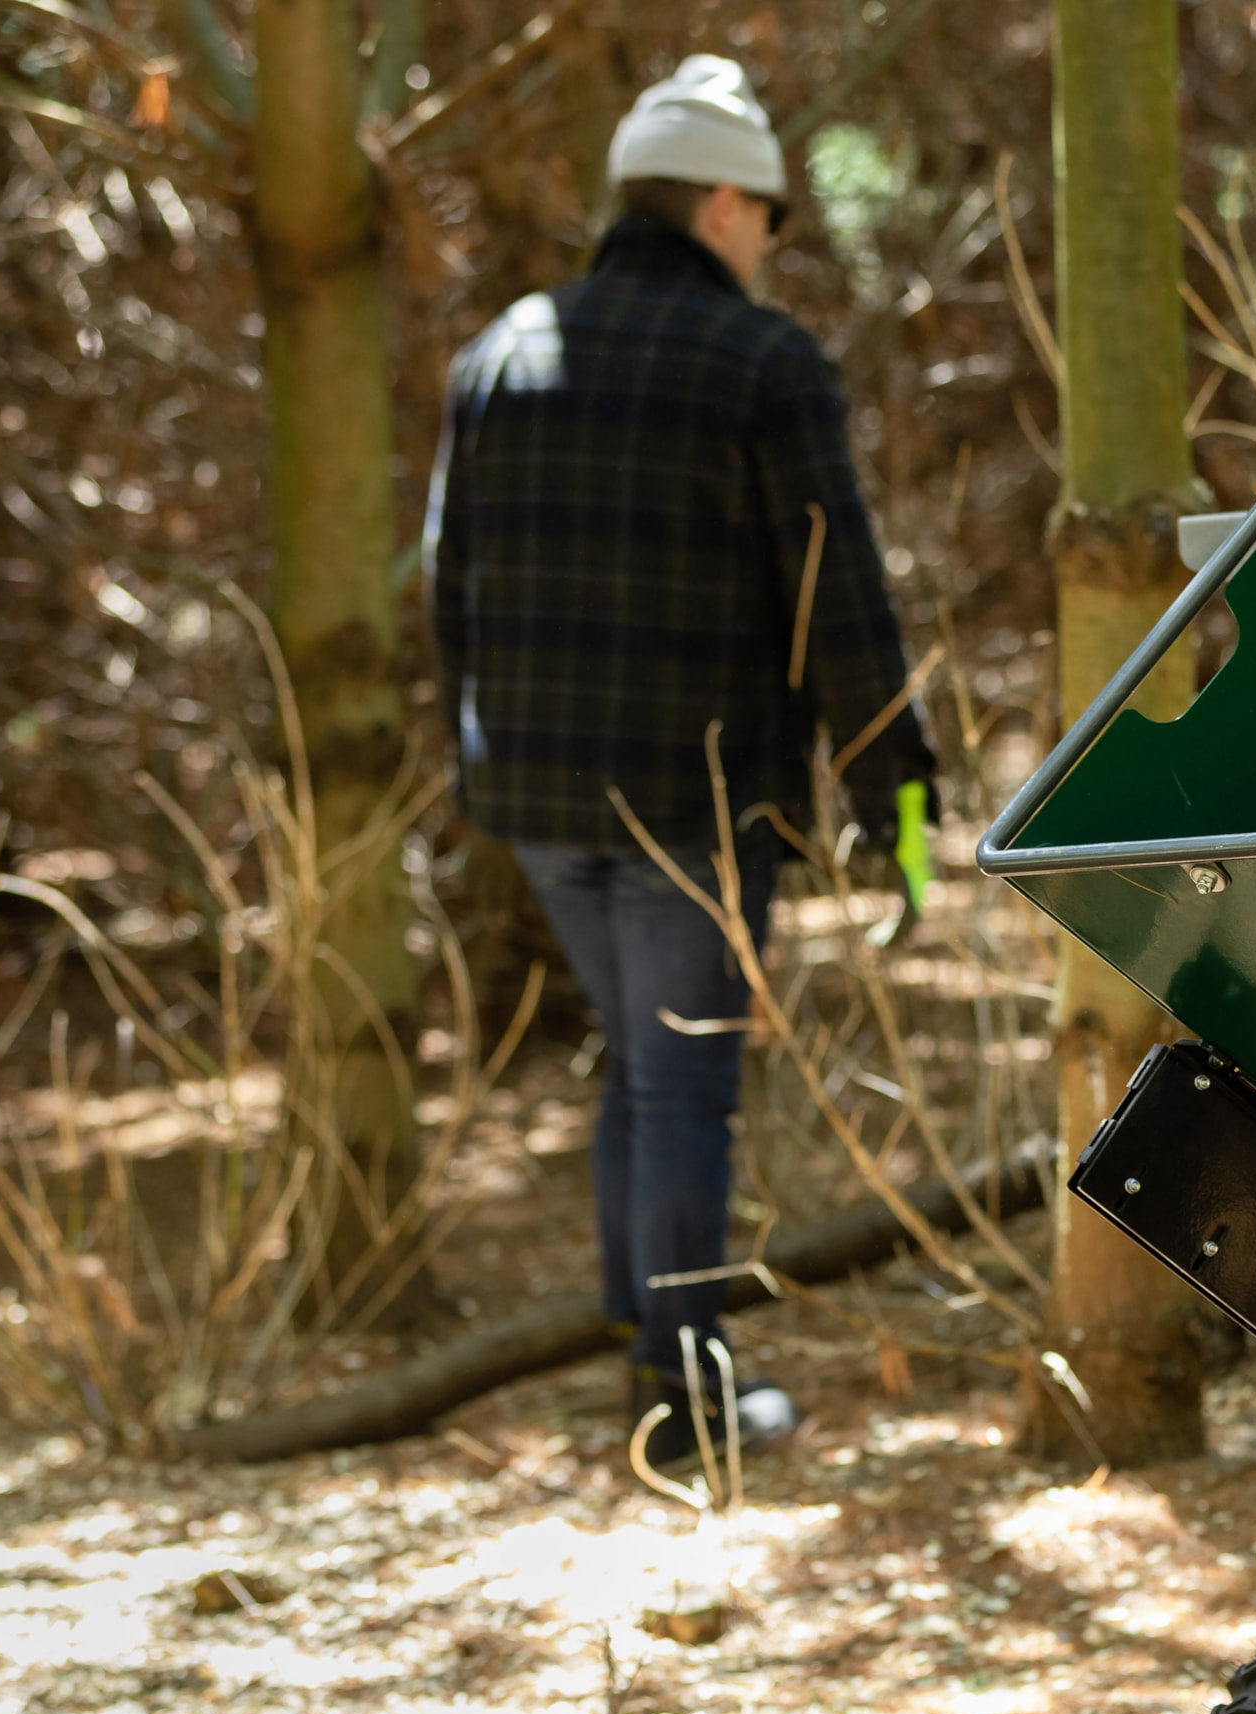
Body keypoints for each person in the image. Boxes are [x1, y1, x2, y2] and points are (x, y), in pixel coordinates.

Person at [426, 55, 935, 1468]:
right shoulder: (765, 365)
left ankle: (632, 1328)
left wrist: (478, 757)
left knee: (641, 1074)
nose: (771, 249)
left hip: (532, 794)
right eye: (769, 220)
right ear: (725, 204)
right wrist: (895, 787)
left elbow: (445, 588)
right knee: (683, 1086)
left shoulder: (502, 351)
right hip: (691, 802)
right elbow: (842, 598)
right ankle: (682, 1388)